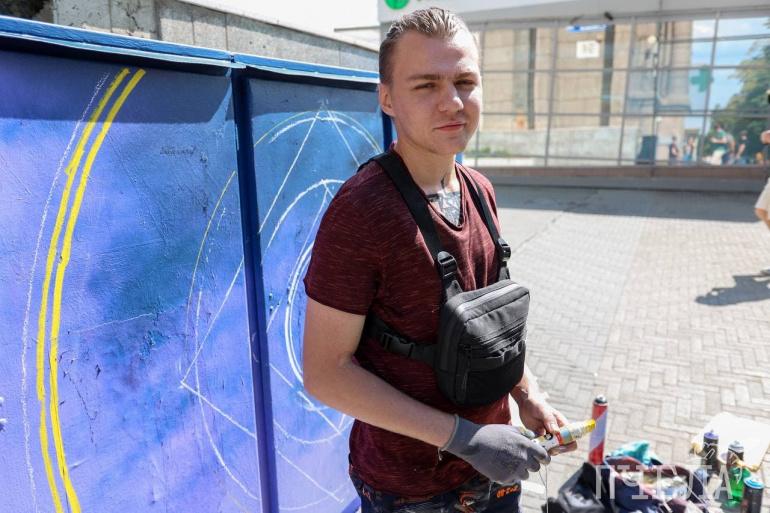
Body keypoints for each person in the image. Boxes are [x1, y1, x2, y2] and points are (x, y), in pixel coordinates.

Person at [302, 7, 574, 513]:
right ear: (388, 99)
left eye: (465, 82)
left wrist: (526, 393)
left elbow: (485, 324)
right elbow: (326, 372)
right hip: (411, 493)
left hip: (498, 468)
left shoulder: (480, 190)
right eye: (426, 85)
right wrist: (464, 438)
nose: (453, 102)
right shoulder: (362, 211)